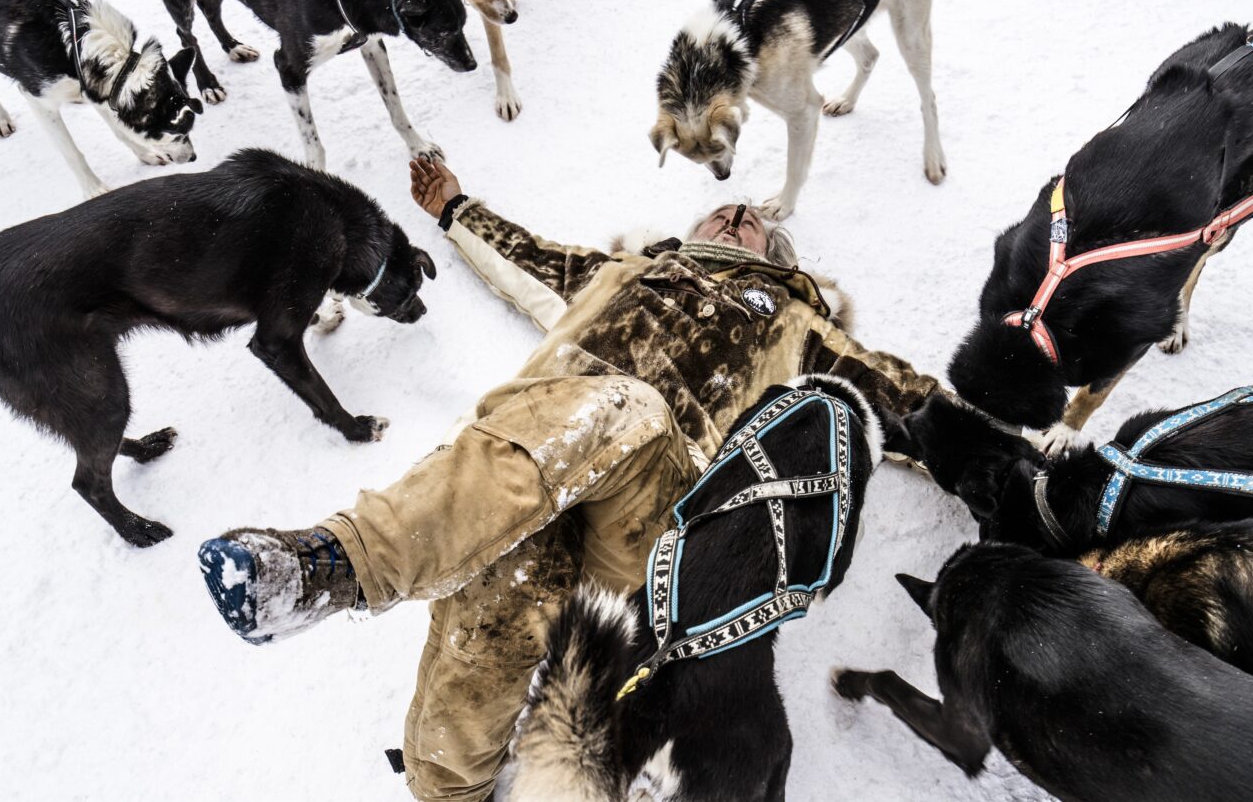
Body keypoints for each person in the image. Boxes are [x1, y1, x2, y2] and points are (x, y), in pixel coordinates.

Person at [197, 159, 940, 802]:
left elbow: (917, 405)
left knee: (628, 406)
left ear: (777, 256)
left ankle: (349, 559)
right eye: (723, 209)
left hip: (654, 520)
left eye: (751, 222)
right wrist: (454, 209)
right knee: (504, 580)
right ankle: (440, 774)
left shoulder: (793, 322)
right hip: (517, 483)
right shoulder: (623, 274)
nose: (737, 214)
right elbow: (525, 258)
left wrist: (1011, 472)